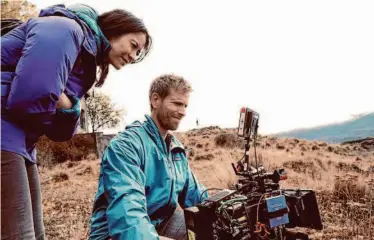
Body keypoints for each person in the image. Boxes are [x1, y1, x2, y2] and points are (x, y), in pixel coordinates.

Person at [1, 3, 152, 239]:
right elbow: (33, 93)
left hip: (21, 139)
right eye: (134, 46)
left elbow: (62, 131)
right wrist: (69, 104)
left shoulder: (84, 62)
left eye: (138, 53)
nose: (133, 56)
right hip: (5, 130)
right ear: (114, 29)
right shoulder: (66, 29)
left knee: (36, 234)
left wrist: (67, 103)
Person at [89, 74, 208, 240]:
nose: (183, 112)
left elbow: (197, 196)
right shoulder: (126, 146)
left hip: (160, 223)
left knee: (210, 229)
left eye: (185, 106)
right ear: (155, 100)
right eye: (177, 103)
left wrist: (229, 205)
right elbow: (128, 217)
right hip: (119, 234)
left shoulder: (175, 149)